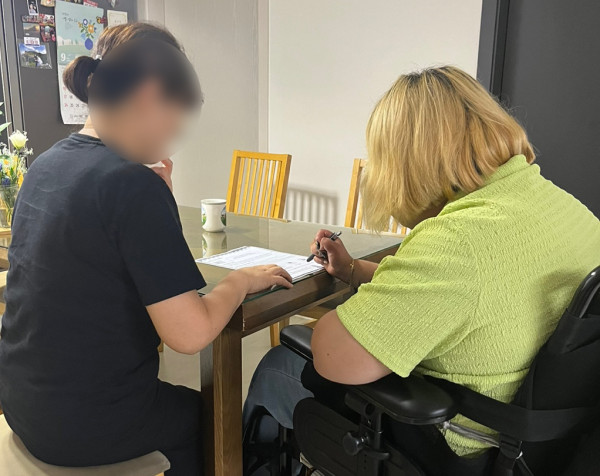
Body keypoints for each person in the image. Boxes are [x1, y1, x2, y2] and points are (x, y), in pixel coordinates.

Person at [243, 66, 600, 474]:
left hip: (460, 446)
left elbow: (332, 357)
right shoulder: (568, 211)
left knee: (278, 365)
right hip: (543, 447)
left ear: (404, 163)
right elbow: (465, 297)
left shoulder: (459, 239)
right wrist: (353, 271)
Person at [0, 23, 293, 476]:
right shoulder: (130, 184)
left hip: (22, 403)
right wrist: (240, 281)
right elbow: (189, 334)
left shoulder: (47, 164)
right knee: (217, 423)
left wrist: (159, 204)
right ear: (149, 94)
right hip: (84, 423)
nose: (172, 138)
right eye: (175, 120)